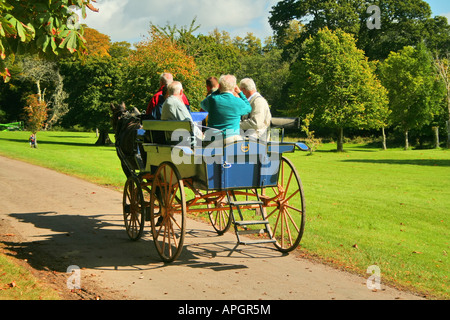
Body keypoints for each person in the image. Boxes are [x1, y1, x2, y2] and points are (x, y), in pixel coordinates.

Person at [201, 74, 252, 143]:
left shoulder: (212, 99)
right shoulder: (238, 102)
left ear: (219, 86)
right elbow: (248, 108)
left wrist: (216, 91)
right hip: (231, 139)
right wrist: (240, 93)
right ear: (234, 87)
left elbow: (202, 105)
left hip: (212, 139)